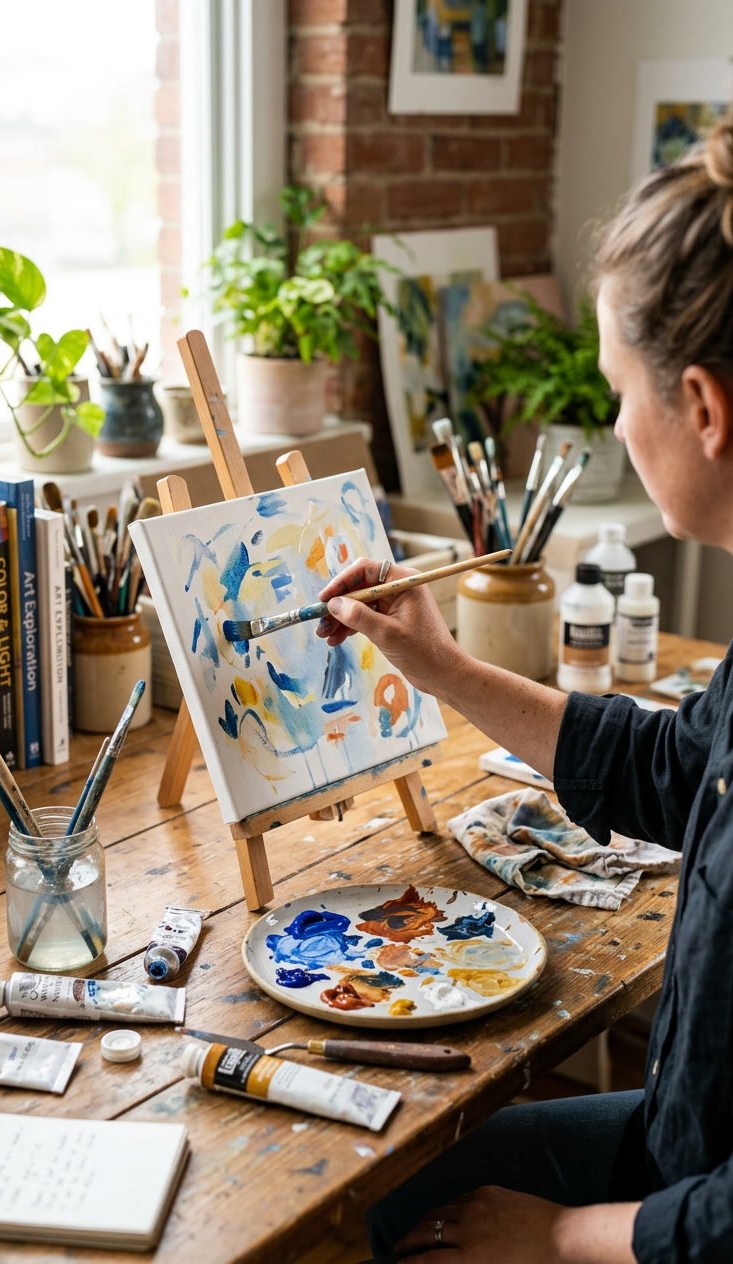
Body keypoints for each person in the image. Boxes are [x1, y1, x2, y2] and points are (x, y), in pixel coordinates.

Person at [316, 106, 733, 1264]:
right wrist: (440, 666)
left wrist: (563, 1238)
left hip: (692, 1216)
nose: (611, 420)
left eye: (616, 390)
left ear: (700, 407)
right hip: (681, 1145)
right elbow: (668, 763)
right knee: (383, 1195)